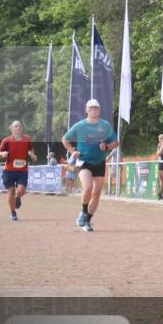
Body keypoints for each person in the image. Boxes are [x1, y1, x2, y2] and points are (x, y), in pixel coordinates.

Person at [62, 99, 118, 232]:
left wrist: (107, 146)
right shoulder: (80, 125)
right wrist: (72, 151)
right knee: (88, 187)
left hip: (99, 161)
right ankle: (83, 211)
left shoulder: (105, 126)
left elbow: (116, 143)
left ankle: (87, 220)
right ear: (86, 110)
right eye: (91, 108)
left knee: (96, 193)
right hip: (84, 161)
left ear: (99, 110)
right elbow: (65, 139)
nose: (94, 110)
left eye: (96, 108)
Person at [0, 121, 36, 220]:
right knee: (11, 191)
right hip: (9, 170)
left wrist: (32, 154)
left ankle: (18, 197)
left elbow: (31, 149)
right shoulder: (6, 141)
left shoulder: (27, 139)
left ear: (22, 128)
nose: (18, 128)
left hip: (22, 170)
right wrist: (3, 154)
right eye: (16, 126)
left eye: (20, 126)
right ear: (11, 129)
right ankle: (13, 212)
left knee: (21, 191)